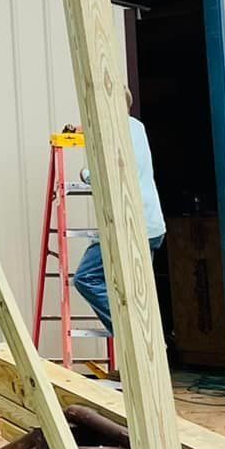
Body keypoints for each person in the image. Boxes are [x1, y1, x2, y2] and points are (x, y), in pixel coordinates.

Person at [72, 89, 165, 337]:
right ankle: (145, 344)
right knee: (136, 292)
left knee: (86, 278)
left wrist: (86, 174)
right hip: (152, 225)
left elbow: (113, 172)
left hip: (129, 224)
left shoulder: (113, 129)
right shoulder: (137, 127)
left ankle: (132, 335)